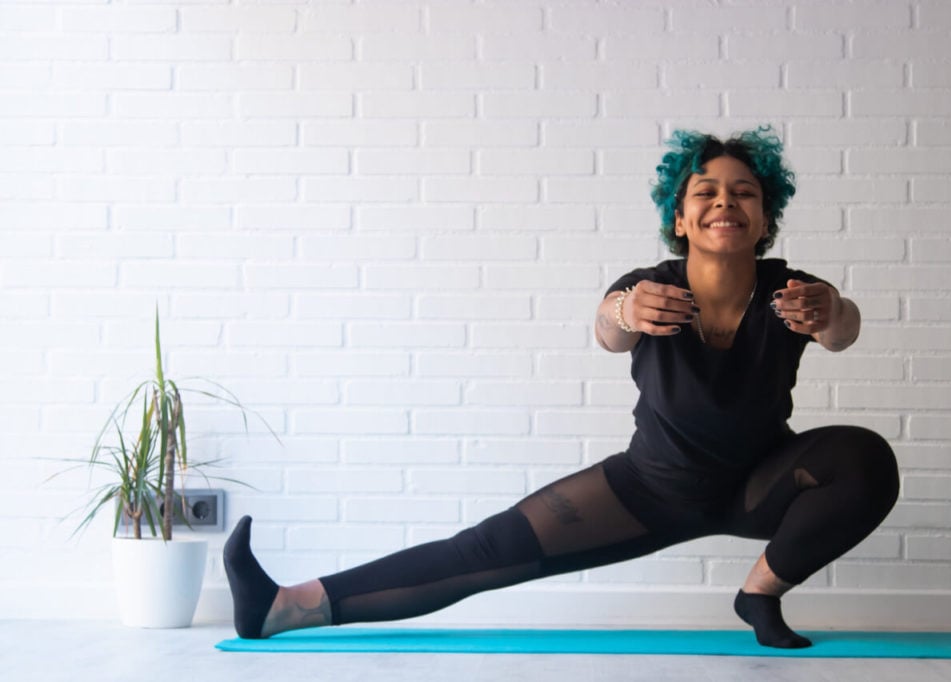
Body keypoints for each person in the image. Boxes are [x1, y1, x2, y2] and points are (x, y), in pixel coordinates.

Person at [224, 127, 900, 649]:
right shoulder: (649, 289)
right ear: (682, 219)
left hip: (762, 483)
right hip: (650, 489)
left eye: (745, 192)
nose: (726, 200)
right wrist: (625, 312)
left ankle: (759, 595)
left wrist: (834, 308)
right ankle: (285, 605)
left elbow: (843, 330)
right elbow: (609, 328)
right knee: (485, 554)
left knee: (863, 457)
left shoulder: (794, 293)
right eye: (706, 192)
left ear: (764, 216)